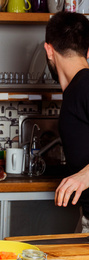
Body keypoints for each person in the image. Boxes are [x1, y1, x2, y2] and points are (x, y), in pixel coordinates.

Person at [44, 11, 89, 231]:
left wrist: (87, 174)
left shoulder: (86, 86)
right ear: (87, 50)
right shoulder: (75, 91)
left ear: (49, 50)